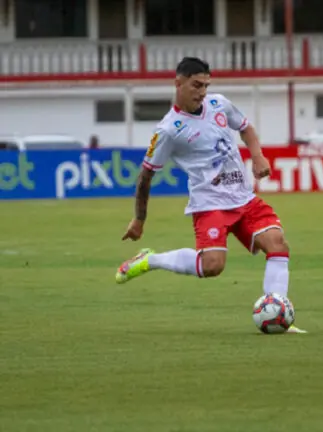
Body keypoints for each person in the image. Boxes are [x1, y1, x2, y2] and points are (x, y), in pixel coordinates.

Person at [116, 57, 306, 334]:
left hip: (243, 197)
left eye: (205, 85)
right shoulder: (168, 130)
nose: (202, 92)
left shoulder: (219, 104)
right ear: (178, 83)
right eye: (196, 85)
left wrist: (257, 156)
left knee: (277, 244)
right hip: (209, 204)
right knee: (213, 266)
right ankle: (149, 260)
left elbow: (245, 128)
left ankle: (278, 316)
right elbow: (146, 175)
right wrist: (139, 220)